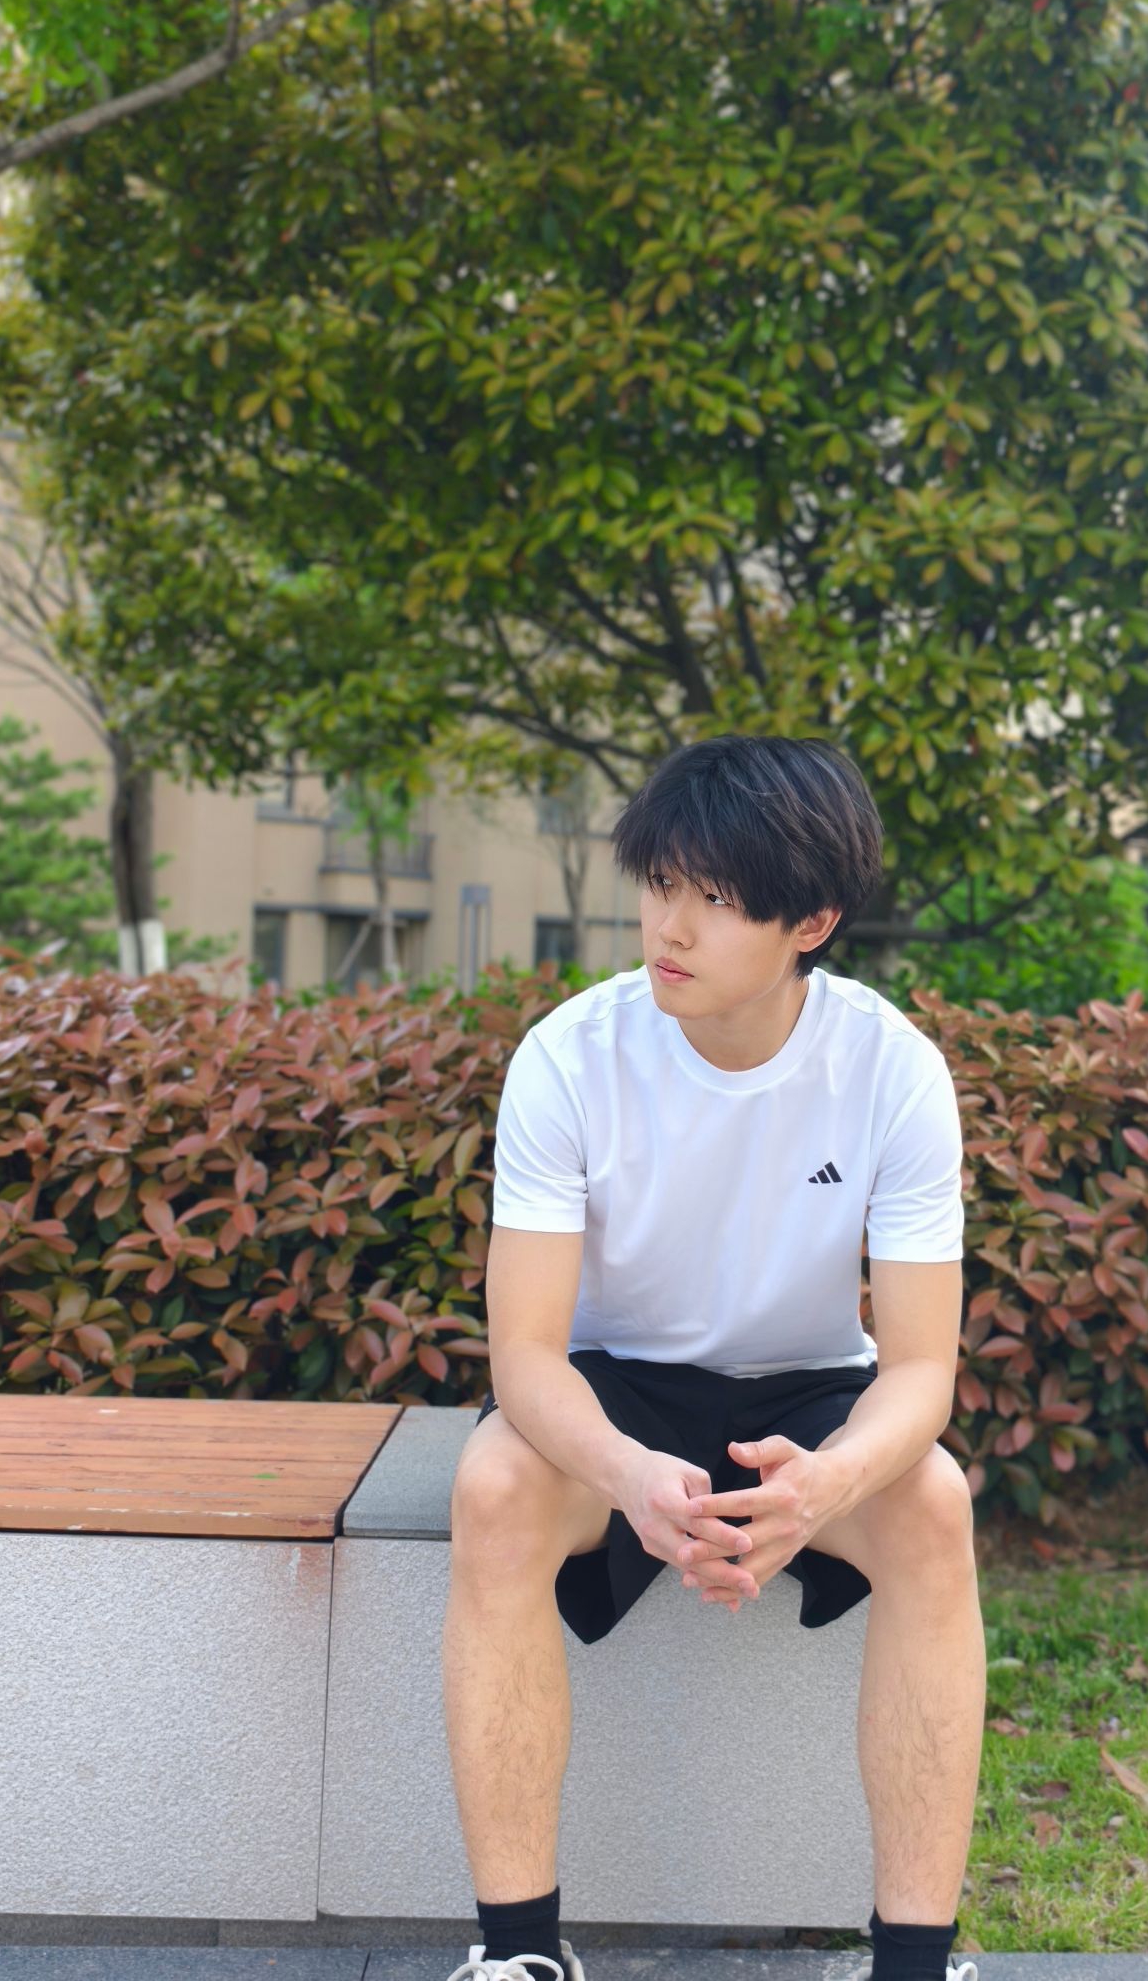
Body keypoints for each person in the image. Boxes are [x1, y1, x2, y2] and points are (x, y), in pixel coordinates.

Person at [442, 733, 984, 1981]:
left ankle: (915, 1964)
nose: (671, 926)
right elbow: (525, 1353)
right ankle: (518, 1952)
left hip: (808, 1388)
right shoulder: (570, 1056)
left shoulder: (892, 1069)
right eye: (661, 883)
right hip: (614, 1380)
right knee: (496, 1485)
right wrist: (629, 1473)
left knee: (935, 1504)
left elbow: (919, 1372)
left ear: (812, 922)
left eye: (719, 898)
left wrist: (827, 1482)